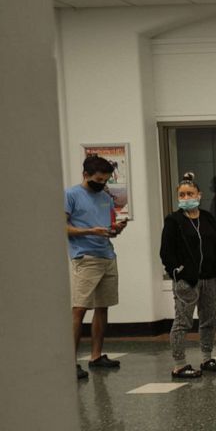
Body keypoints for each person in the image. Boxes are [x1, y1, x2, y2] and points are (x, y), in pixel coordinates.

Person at [66, 155, 129, 380]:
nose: (101, 183)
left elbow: (108, 223)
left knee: (103, 306)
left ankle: (96, 356)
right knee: (79, 308)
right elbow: (62, 227)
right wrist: (90, 231)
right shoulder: (71, 195)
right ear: (85, 175)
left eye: (105, 180)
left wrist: (115, 229)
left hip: (107, 254)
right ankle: (69, 363)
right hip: (85, 257)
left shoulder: (105, 197)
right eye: (98, 179)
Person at [159, 173, 216, 379]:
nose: (186, 197)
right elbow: (166, 252)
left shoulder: (208, 218)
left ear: (199, 194)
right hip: (187, 281)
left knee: (208, 320)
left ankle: (207, 358)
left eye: (190, 193)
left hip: (210, 278)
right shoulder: (174, 220)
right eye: (182, 194)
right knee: (182, 322)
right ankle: (179, 364)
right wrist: (177, 272)